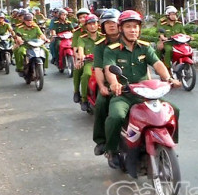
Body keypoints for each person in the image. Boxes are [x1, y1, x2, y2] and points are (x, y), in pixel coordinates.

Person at [103, 10, 181, 168]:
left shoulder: (145, 47)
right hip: (124, 94)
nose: (133, 30)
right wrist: (114, 83)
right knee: (116, 116)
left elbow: (157, 63)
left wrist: (168, 78)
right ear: (121, 29)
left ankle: (169, 145)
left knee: (174, 110)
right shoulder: (111, 49)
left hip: (146, 94)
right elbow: (108, 68)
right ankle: (111, 150)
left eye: (136, 27)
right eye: (128, 26)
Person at [92, 9, 121, 156]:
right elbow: (98, 68)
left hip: (132, 83)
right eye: (107, 23)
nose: (111, 25)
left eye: (114, 22)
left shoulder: (128, 39)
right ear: (102, 27)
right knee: (101, 103)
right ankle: (101, 140)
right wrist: (102, 86)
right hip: (110, 83)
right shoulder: (100, 45)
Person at [77, 14, 104, 111]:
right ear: (86, 26)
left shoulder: (103, 37)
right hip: (90, 62)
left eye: (94, 23)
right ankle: (84, 99)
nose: (92, 26)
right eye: (90, 24)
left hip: (104, 62)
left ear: (98, 25)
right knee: (86, 75)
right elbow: (80, 49)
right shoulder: (82, 38)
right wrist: (81, 56)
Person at [72, 8, 91, 103]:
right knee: (77, 69)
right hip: (83, 57)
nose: (83, 19)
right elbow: (76, 48)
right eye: (80, 18)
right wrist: (79, 59)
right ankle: (76, 91)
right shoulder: (77, 32)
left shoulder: (98, 29)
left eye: (85, 17)